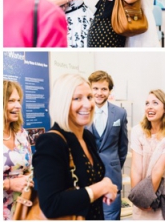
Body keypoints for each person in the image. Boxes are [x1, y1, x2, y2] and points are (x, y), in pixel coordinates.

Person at [32, 74, 118, 220]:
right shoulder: (51, 142)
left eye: (89, 97)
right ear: (63, 103)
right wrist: (101, 187)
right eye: (77, 98)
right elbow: (51, 205)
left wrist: (106, 184)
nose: (88, 104)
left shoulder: (87, 137)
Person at [130, 89, 165, 220]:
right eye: (147, 103)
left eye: (155, 103)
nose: (149, 106)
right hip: (142, 192)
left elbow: (158, 169)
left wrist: (147, 198)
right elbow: (136, 168)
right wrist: (138, 199)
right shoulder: (137, 131)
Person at [86, 71, 128, 221]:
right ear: (90, 89)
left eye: (104, 89)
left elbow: (123, 147)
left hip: (112, 175)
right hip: (87, 176)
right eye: (95, 88)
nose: (99, 93)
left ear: (109, 91)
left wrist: (114, 164)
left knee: (111, 217)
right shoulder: (82, 112)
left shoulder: (120, 113)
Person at [2, 80, 31, 221]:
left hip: (23, 206)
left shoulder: (22, 134)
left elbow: (29, 168)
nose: (18, 106)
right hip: (2, 209)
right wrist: (9, 184)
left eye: (19, 100)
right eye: (11, 100)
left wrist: (29, 177)